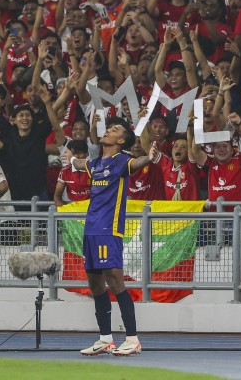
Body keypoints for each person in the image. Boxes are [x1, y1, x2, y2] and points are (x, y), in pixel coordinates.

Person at [62, 117, 159, 357]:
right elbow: (78, 162)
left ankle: (132, 339)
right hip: (91, 229)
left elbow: (141, 161)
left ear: (121, 140)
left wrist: (150, 155)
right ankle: (105, 339)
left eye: (114, 129)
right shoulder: (94, 163)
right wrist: (71, 159)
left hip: (109, 229)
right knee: (95, 284)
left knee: (115, 281)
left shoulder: (122, 161)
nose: (108, 130)